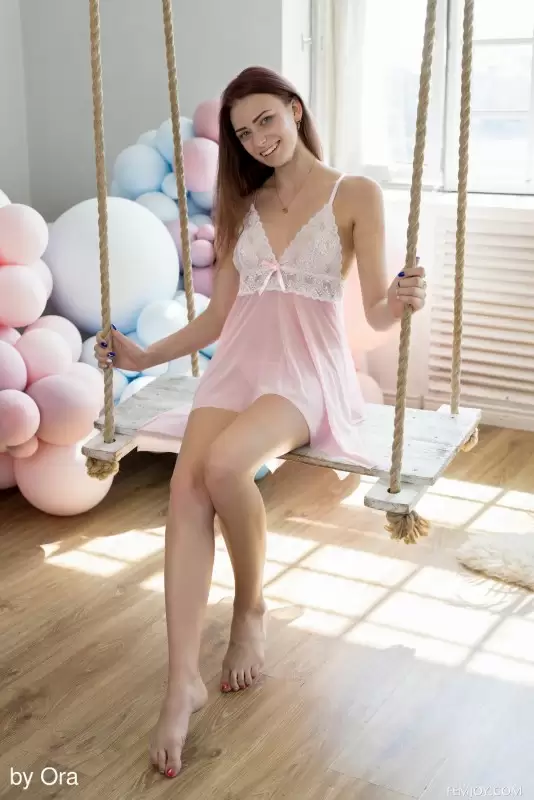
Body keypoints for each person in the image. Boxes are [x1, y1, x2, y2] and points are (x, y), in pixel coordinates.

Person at [95, 66, 426, 778]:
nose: (258, 139)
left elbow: (374, 312)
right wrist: (144, 355)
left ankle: (250, 608)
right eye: (244, 133)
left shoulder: (354, 194)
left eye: (266, 120)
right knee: (185, 488)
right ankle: (181, 680)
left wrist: (402, 301)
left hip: (305, 374)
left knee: (224, 467)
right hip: (238, 366)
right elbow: (219, 317)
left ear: (294, 110)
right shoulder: (243, 204)